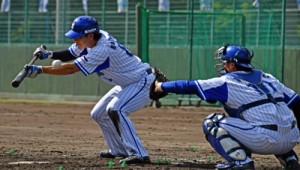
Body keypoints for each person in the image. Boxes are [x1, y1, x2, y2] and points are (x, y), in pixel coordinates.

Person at [26, 15, 164, 164]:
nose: (75, 40)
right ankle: (118, 149)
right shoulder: (93, 40)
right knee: (98, 113)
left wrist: (40, 70)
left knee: (116, 109)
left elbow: (71, 69)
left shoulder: (101, 50)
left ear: (90, 35)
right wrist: (49, 54)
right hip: (128, 82)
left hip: (142, 82)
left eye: (78, 37)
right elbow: (69, 54)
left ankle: (139, 154)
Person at [154, 44, 300, 170]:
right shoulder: (268, 77)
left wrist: (161, 86)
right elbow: (297, 101)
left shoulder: (227, 81)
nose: (222, 65)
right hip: (291, 139)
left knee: (212, 123)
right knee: (275, 119)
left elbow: (189, 86)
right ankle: (290, 160)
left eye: (224, 62)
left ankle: (241, 162)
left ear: (232, 65)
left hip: (265, 141)